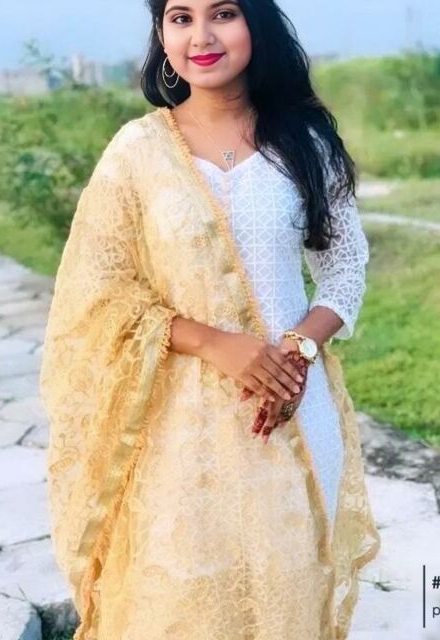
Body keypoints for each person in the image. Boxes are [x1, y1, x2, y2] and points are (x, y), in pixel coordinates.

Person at [39, 1, 381, 638]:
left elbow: (345, 269)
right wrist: (216, 343)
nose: (201, 36)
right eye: (180, 17)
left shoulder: (305, 144)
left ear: (256, 23)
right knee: (181, 603)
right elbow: (98, 288)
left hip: (291, 408)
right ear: (161, 33)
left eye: (222, 13)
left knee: (290, 591)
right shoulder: (137, 152)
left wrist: (298, 353)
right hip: (175, 425)